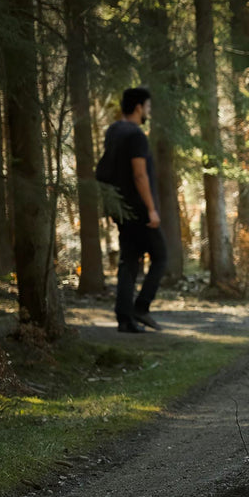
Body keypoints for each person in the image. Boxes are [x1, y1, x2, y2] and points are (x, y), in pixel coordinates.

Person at [99, 87, 167, 333]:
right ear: (139, 107)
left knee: (129, 261)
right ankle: (141, 307)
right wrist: (151, 209)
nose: (149, 111)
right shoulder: (136, 135)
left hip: (120, 208)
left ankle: (124, 319)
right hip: (138, 209)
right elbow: (139, 174)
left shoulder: (114, 131)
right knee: (160, 256)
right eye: (147, 106)